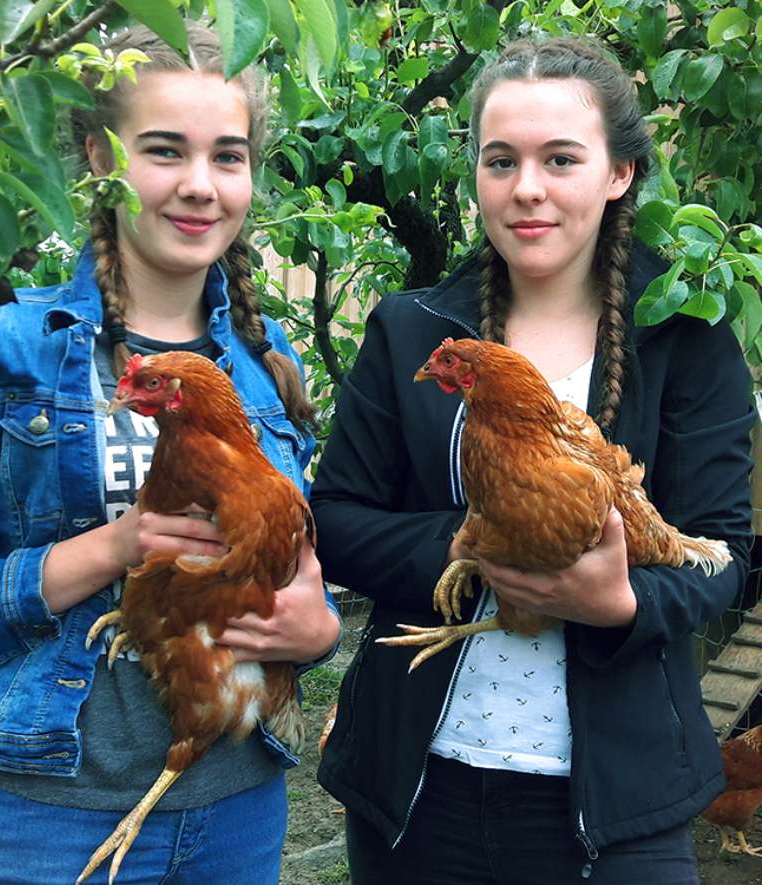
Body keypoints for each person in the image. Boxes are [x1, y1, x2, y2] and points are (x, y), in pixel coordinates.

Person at [0, 23, 341, 885]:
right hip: (46, 824)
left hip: (240, 811)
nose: (199, 185)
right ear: (96, 155)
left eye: (228, 156)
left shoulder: (272, 367)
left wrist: (320, 628)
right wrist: (110, 549)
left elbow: (290, 573)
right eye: (163, 151)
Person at [312, 36, 753, 884]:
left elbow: (722, 555)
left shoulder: (686, 341)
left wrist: (620, 599)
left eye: (560, 158)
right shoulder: (413, 326)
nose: (527, 189)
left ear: (619, 172)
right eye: (500, 159)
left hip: (622, 803)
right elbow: (335, 518)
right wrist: (476, 543)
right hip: (416, 789)